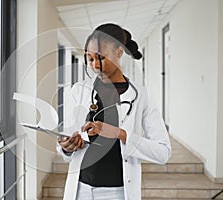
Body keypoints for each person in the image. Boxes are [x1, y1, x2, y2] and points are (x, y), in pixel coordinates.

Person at [56, 23, 171, 200]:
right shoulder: (79, 91)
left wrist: (120, 134)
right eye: (90, 59)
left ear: (119, 51)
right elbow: (66, 142)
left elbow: (163, 152)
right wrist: (67, 147)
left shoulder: (140, 96)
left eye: (101, 58)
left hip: (117, 193)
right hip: (80, 190)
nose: (95, 66)